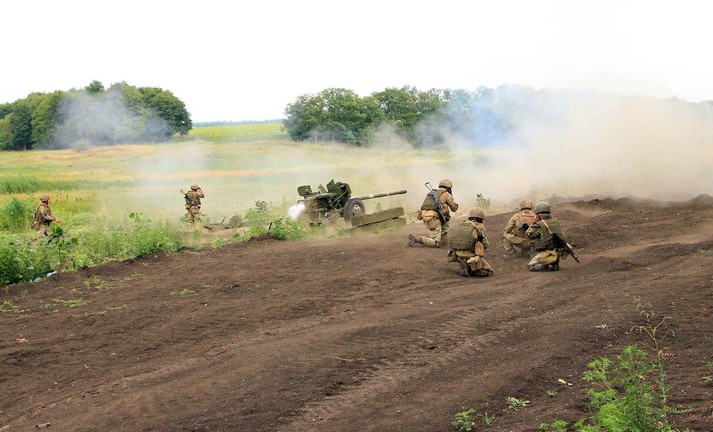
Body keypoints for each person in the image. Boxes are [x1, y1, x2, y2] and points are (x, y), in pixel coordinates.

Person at [408, 178, 459, 248]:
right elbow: (454, 208)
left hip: (425, 216)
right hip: (433, 218)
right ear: (449, 188)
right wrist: (452, 201)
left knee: (445, 214)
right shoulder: (446, 194)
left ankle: (443, 238)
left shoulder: (432, 193)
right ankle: (417, 238)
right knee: (436, 243)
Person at [447, 207, 493, 277]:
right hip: (470, 254)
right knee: (489, 271)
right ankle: (471, 266)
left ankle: (465, 264)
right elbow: (485, 244)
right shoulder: (480, 227)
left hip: (457, 253)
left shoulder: (462, 224)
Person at [525, 201, 569, 271]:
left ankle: (547, 265)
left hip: (547, 252)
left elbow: (528, 235)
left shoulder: (539, 225)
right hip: (558, 251)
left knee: (531, 266)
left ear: (538, 214)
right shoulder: (556, 221)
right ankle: (554, 262)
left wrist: (534, 222)